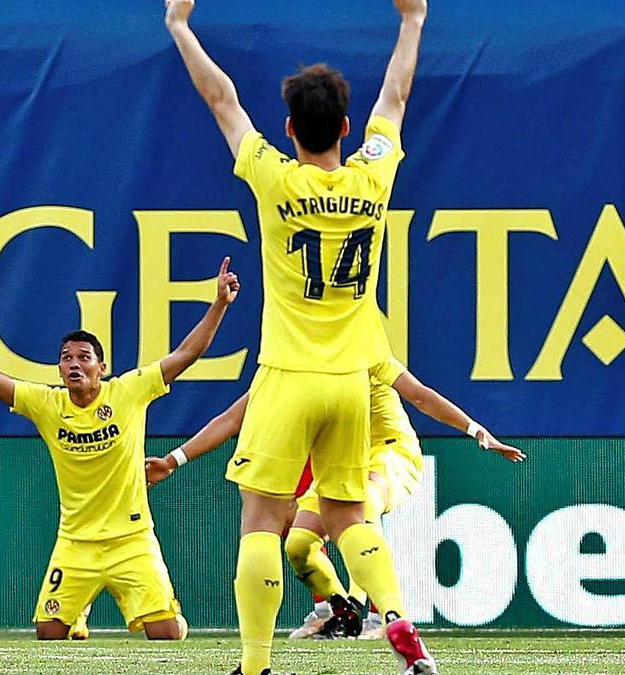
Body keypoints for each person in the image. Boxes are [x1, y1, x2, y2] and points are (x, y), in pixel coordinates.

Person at [165, 0, 430, 671]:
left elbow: (220, 97)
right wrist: (413, 20)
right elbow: (396, 94)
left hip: (286, 374)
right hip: (350, 384)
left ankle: (254, 664)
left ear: (288, 128)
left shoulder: (273, 177)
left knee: (262, 520)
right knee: (348, 518)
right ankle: (395, 616)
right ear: (346, 125)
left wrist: (179, 26)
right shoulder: (373, 174)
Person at [145, 357, 526, 640]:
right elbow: (232, 419)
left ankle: (383, 616)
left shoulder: (364, 350)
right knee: (298, 544)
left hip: (389, 452)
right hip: (341, 463)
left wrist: (478, 431)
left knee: (364, 505)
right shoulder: (289, 365)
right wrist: (174, 460)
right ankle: (337, 610)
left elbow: (421, 397)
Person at [0, 259, 240, 640]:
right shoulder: (47, 404)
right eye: (66, 359)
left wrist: (220, 304)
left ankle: (170, 616)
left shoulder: (128, 391)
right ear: (59, 370)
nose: (74, 365)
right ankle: (75, 615)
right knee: (49, 634)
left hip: (132, 538)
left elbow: (187, 353)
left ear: (101, 367)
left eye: (83, 358)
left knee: (167, 636)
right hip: (75, 542)